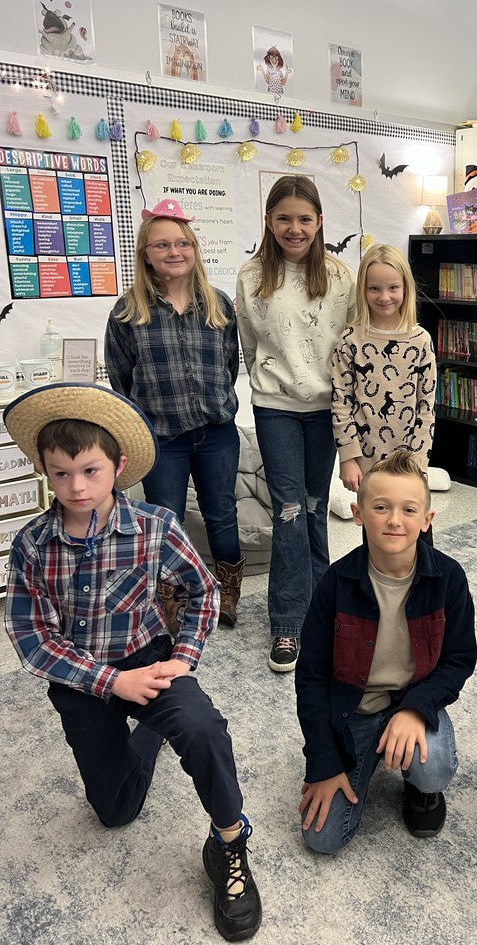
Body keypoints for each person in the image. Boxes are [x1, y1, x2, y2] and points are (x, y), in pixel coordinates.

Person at [3, 384, 261, 941]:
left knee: (202, 726)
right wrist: (111, 683)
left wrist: (184, 659)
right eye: (61, 472)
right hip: (80, 677)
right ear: (44, 470)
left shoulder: (154, 527)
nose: (76, 486)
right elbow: (31, 637)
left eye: (90, 471)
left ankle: (229, 841)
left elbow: (204, 591)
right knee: (115, 811)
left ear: (118, 467)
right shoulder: (30, 545)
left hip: (150, 662)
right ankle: (148, 735)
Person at [295, 449, 477, 853]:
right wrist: (323, 763)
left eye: (409, 510)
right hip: (353, 711)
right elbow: (309, 679)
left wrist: (416, 708)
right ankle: (364, 756)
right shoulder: (334, 583)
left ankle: (420, 790)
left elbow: (459, 659)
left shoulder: (448, 579)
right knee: (322, 839)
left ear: (427, 520)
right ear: (359, 514)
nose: (395, 520)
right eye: (381, 507)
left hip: (412, 699)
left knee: (432, 769)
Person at [104, 198, 245, 628]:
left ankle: (227, 592)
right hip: (161, 438)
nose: (174, 252)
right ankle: (176, 594)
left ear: (194, 249)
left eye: (182, 243)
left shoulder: (217, 305)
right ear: (145, 254)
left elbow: (229, 365)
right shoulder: (128, 312)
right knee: (165, 517)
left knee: (222, 511)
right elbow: (121, 379)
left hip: (216, 432)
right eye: (162, 245)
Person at [236, 175, 355, 673]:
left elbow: (351, 345)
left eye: (305, 219)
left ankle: (319, 611)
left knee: (312, 507)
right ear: (268, 221)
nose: (294, 228)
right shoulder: (250, 276)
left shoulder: (339, 275)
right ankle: (287, 624)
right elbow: (247, 344)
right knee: (287, 508)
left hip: (326, 409)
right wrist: (268, 386)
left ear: (320, 221)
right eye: (283, 218)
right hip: (275, 407)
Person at [331, 243, 436, 493]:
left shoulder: (421, 340)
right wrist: (347, 458)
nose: (384, 296)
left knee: (414, 528)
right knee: (375, 527)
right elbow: (340, 402)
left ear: (405, 288)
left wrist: (419, 462)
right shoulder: (350, 340)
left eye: (393, 288)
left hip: (409, 463)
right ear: (363, 291)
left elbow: (426, 407)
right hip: (366, 463)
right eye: (374, 288)